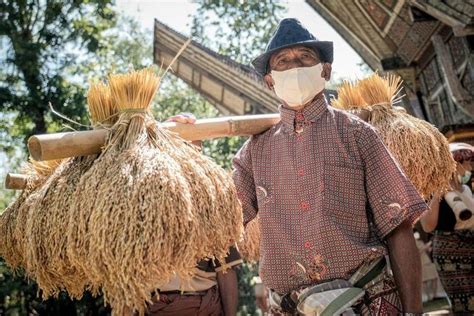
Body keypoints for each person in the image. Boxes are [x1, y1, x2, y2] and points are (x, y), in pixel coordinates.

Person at [170, 18, 427, 315]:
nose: (294, 66)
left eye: (305, 57)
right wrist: (191, 151)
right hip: (291, 307)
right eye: (283, 61)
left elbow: (398, 227)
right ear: (270, 80)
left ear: (325, 71)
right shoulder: (255, 151)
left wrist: (413, 312)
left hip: (366, 298)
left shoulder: (357, 135)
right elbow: (219, 221)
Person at [419, 142, 474, 314]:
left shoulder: (466, 189)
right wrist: (437, 193)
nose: (471, 164)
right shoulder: (433, 191)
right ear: (456, 162)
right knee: (465, 302)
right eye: (468, 159)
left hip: (471, 246)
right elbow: (427, 226)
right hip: (450, 254)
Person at [144, 246, 242, 316]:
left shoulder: (141, 222)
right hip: (202, 305)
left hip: (159, 306)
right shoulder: (218, 221)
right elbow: (226, 273)